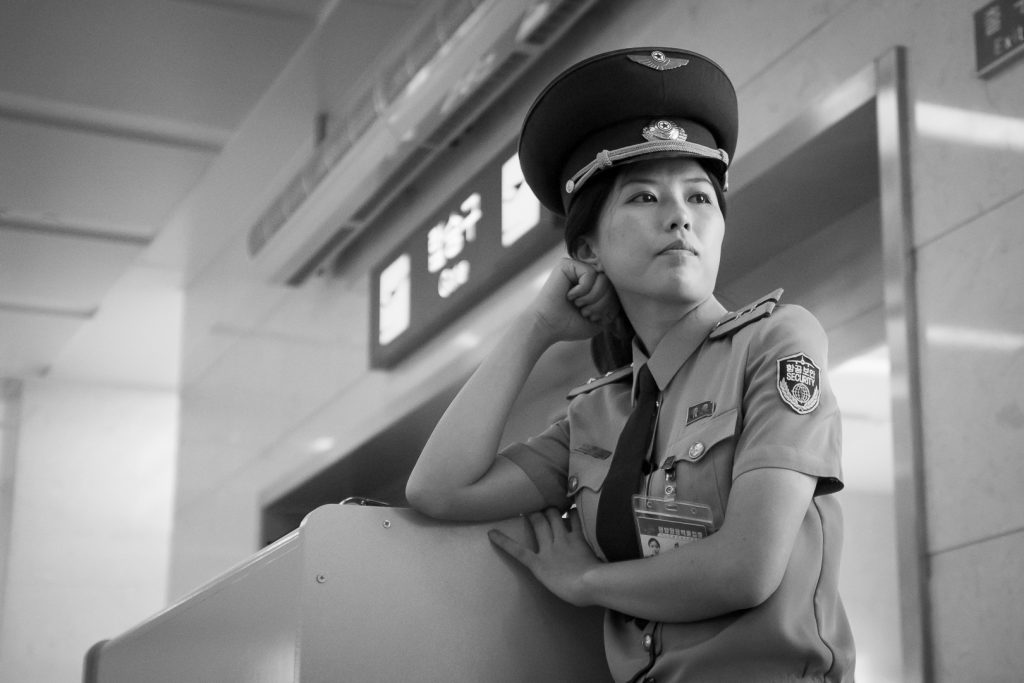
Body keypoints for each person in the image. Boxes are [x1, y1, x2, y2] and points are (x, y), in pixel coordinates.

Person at [406, 47, 855, 682]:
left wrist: (588, 582)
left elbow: (746, 569)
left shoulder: (777, 341)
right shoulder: (599, 414)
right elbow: (438, 491)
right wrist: (533, 330)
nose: (680, 216)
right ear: (587, 247)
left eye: (700, 197)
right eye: (644, 197)